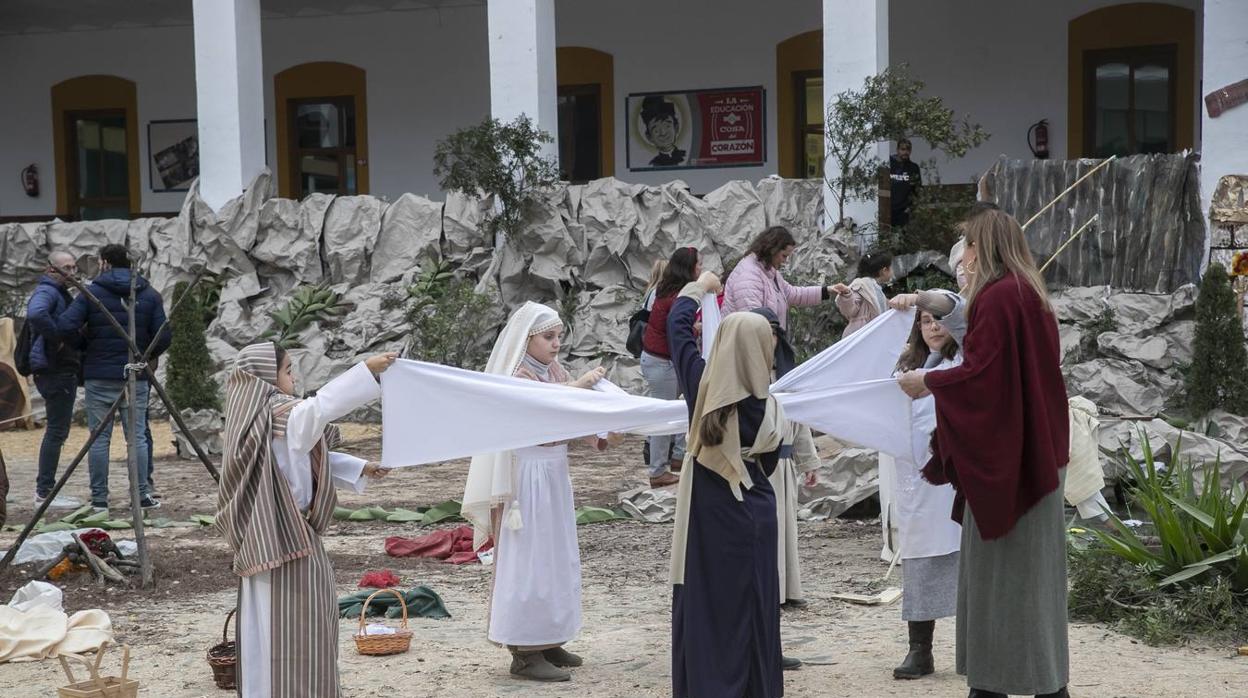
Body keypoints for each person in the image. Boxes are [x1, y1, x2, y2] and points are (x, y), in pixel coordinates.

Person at [897, 204, 1071, 698]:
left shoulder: (998, 297)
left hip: (1009, 464)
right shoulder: (1030, 292)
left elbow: (985, 378)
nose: (964, 255)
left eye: (968, 245)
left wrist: (927, 380)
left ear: (984, 247)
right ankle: (1043, 682)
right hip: (1035, 451)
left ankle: (995, 685)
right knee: (1034, 582)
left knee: (1003, 581)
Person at [216, 343, 393, 697]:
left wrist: (360, 467)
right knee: (294, 627)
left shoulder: (261, 419)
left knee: (284, 627)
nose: (293, 377)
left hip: (277, 535)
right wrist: (366, 371)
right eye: (287, 370)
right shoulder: (275, 412)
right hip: (284, 538)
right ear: (266, 377)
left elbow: (299, 452)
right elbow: (317, 412)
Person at [462, 302, 610, 683]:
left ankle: (547, 637)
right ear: (527, 339)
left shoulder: (553, 371)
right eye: (548, 337)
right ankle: (523, 651)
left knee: (555, 554)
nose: (556, 344)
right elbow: (546, 405)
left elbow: (569, 407)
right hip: (526, 476)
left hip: (553, 471)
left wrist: (604, 423)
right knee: (529, 557)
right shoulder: (518, 376)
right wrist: (581, 387)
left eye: (559, 336)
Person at [669, 272, 785, 698]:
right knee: (756, 600)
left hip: (711, 515)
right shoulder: (770, 403)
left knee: (711, 605)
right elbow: (771, 462)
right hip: (758, 509)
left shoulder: (703, 390)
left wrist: (696, 288)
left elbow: (677, 331)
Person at [882, 289, 968, 680]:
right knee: (920, 558)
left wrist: (923, 297)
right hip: (917, 478)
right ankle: (921, 648)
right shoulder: (905, 363)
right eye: (925, 321)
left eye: (938, 320)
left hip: (958, 474)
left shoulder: (966, 358)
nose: (933, 327)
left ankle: (976, 649)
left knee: (969, 560)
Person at [57, 244, 170, 513]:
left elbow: (65, 326)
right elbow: (164, 335)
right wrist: (144, 353)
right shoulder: (149, 294)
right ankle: (141, 495)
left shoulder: (91, 293)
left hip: (100, 376)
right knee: (138, 437)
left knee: (99, 438)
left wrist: (85, 346)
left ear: (105, 263)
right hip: (136, 376)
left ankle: (99, 501)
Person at [749, 307, 819, 615]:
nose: (770, 339)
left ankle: (787, 588)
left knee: (785, 528)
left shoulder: (787, 375)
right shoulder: (744, 373)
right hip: (756, 465)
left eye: (773, 333)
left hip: (784, 465)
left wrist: (808, 462)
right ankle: (768, 591)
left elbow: (799, 418)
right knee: (765, 529)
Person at [25, 251, 82, 508]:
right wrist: (57, 338)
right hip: (55, 370)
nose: (72, 272)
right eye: (66, 268)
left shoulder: (58, 292)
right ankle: (44, 491)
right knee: (57, 431)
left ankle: (45, 489)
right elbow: (37, 314)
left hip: (59, 370)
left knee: (58, 431)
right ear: (52, 270)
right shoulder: (47, 292)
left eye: (73, 267)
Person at [640, 248, 701, 488]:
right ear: (689, 268)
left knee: (675, 410)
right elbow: (675, 329)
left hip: (660, 360)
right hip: (661, 362)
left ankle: (675, 459)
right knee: (663, 417)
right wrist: (696, 328)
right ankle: (657, 471)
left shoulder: (665, 289)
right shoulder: (677, 296)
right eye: (698, 265)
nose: (701, 270)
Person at [721, 226, 838, 329]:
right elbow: (753, 324)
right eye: (784, 256)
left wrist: (827, 291)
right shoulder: (748, 277)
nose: (785, 261)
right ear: (772, 250)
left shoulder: (768, 270)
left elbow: (792, 294)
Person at [832, 251, 894, 337]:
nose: (892, 271)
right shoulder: (861, 285)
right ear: (884, 270)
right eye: (891, 268)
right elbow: (850, 309)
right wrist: (846, 295)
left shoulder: (876, 288)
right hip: (859, 336)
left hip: (870, 336)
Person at [641, 96, 686, 167]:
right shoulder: (653, 164)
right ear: (649, 137)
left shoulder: (685, 156)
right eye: (656, 130)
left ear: (676, 127)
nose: (663, 133)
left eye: (667, 126)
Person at [890, 138, 922, 228]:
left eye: (908, 149)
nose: (905, 152)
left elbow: (917, 189)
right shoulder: (888, 164)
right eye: (903, 149)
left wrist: (910, 208)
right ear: (897, 150)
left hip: (903, 211)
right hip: (888, 209)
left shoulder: (913, 168)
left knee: (902, 238)